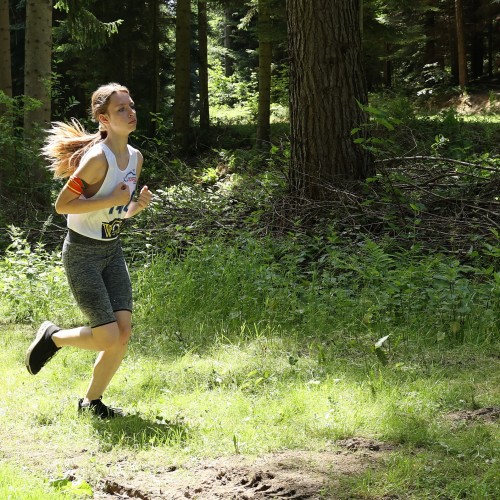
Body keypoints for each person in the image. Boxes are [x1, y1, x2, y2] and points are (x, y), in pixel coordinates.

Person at [25, 82, 153, 418]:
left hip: (112, 252)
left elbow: (117, 212)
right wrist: (111, 199)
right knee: (107, 335)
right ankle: (54, 338)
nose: (130, 112)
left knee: (121, 334)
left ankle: (91, 403)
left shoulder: (135, 158)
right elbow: (63, 205)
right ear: (104, 119)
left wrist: (134, 207)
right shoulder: (98, 159)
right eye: (121, 109)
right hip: (82, 254)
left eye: (131, 105)